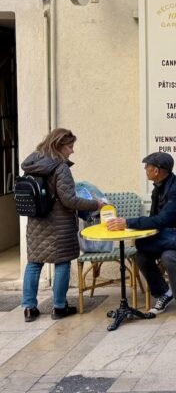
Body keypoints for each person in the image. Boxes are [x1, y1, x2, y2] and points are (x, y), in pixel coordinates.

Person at [105, 152, 176, 324]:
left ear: (156, 170)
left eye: (147, 167)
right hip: (166, 238)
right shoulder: (158, 187)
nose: (145, 169)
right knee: (140, 253)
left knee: (168, 256)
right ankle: (163, 293)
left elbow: (162, 220)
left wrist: (127, 222)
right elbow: (154, 221)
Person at [20, 128, 108, 322]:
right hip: (60, 225)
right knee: (62, 263)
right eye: (70, 147)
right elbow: (69, 200)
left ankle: (29, 308)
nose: (72, 151)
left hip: (36, 222)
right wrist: (96, 204)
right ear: (59, 146)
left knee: (34, 263)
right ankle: (59, 306)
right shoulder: (61, 168)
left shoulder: (33, 162)